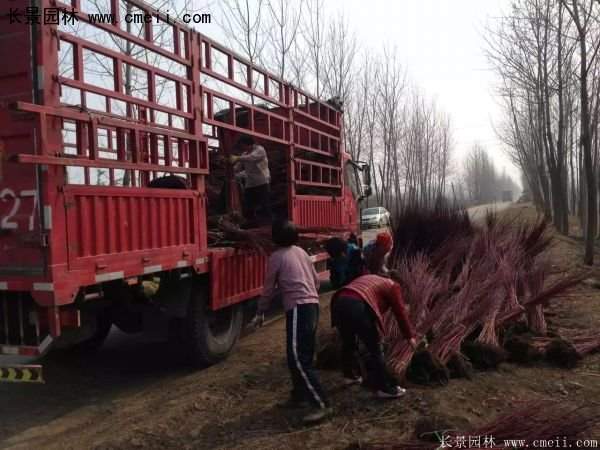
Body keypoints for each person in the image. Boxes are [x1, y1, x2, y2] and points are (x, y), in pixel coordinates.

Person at [252, 220, 332, 424]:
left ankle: (321, 404)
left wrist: (260, 312)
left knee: (299, 358)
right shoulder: (301, 252)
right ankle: (299, 396)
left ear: (275, 238)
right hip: (311, 305)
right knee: (294, 355)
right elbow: (315, 281)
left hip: (299, 308)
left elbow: (268, 288)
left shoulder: (276, 257)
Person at [330, 274, 417, 398]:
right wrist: (409, 336)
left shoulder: (372, 279)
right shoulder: (393, 286)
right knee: (375, 349)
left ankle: (349, 376)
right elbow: (400, 313)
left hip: (339, 302)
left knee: (348, 342)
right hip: (356, 305)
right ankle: (385, 388)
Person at [230, 135, 271, 227]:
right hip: (250, 184)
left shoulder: (260, 150)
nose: (242, 148)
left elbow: (252, 158)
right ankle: (251, 225)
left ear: (249, 144)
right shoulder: (244, 154)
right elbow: (237, 168)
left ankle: (267, 225)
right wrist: (229, 165)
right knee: (248, 206)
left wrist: (237, 158)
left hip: (263, 182)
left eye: (243, 145)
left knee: (264, 205)